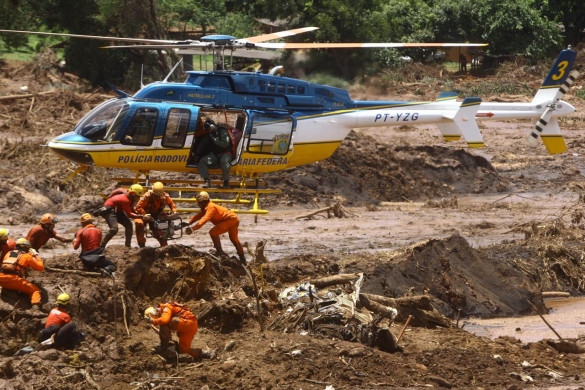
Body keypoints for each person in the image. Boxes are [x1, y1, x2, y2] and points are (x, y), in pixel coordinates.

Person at [184, 191, 246, 263]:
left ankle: (220, 252)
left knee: (213, 232)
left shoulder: (211, 207)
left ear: (204, 202)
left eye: (199, 203)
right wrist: (189, 222)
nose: (198, 204)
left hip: (230, 220)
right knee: (234, 240)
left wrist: (193, 228)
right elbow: (198, 216)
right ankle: (243, 259)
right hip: (234, 219)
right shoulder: (207, 207)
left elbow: (204, 219)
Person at [144, 302, 209, 359]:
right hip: (191, 326)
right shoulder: (166, 308)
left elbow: (165, 320)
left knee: (165, 324)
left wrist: (153, 321)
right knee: (184, 350)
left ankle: (164, 347)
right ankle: (205, 353)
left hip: (187, 323)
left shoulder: (166, 308)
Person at [0, 238, 44, 311]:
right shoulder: (27, 256)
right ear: (25, 247)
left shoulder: (8, 253)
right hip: (14, 280)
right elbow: (40, 267)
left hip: (1, 279)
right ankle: (36, 310)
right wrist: (36, 255)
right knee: (35, 290)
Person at [100, 183, 145, 248]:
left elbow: (119, 189)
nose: (138, 198)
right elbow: (129, 214)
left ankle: (127, 246)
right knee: (114, 229)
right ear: (133, 194)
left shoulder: (129, 195)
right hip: (109, 210)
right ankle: (101, 246)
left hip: (118, 210)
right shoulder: (125, 200)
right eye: (138, 196)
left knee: (129, 225)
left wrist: (110, 196)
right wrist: (141, 216)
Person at [135, 181, 178, 247]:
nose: (158, 197)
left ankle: (164, 246)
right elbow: (139, 207)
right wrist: (144, 214)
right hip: (144, 215)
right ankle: (142, 245)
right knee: (139, 224)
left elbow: (171, 204)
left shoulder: (165, 196)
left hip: (157, 214)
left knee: (160, 229)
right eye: (156, 195)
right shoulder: (147, 196)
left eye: (159, 195)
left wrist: (174, 211)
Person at [197, 118, 233, 189]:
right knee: (202, 161)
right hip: (216, 154)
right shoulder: (209, 134)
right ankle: (207, 180)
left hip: (225, 153)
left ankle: (226, 182)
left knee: (224, 161)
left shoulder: (222, 131)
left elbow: (225, 144)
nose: (209, 131)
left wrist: (215, 140)